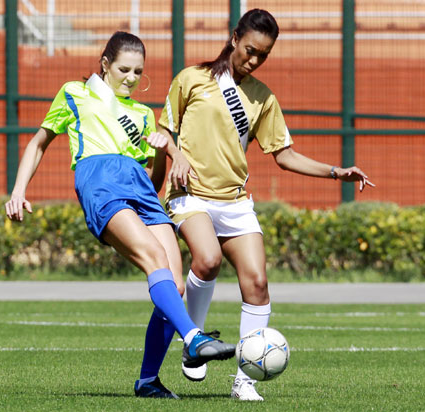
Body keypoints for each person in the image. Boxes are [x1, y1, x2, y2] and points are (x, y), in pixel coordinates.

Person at [157, 9, 375, 401]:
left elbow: (284, 155)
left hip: (235, 201)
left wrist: (335, 172)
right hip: (191, 195)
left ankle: (245, 380)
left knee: (257, 283)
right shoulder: (190, 80)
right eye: (250, 50)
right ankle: (195, 343)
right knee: (206, 260)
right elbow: (162, 131)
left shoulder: (264, 98)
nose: (254, 60)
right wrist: (177, 155)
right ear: (234, 37)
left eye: (263, 55)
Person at [4, 31, 236, 400]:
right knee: (154, 258)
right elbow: (38, 143)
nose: (130, 78)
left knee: (174, 285)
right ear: (105, 65)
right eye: (124, 69)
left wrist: (163, 150)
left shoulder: (144, 115)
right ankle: (193, 337)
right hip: (100, 182)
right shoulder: (75, 93)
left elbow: (154, 180)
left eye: (138, 72)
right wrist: (18, 192)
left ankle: (148, 382)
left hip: (140, 188)